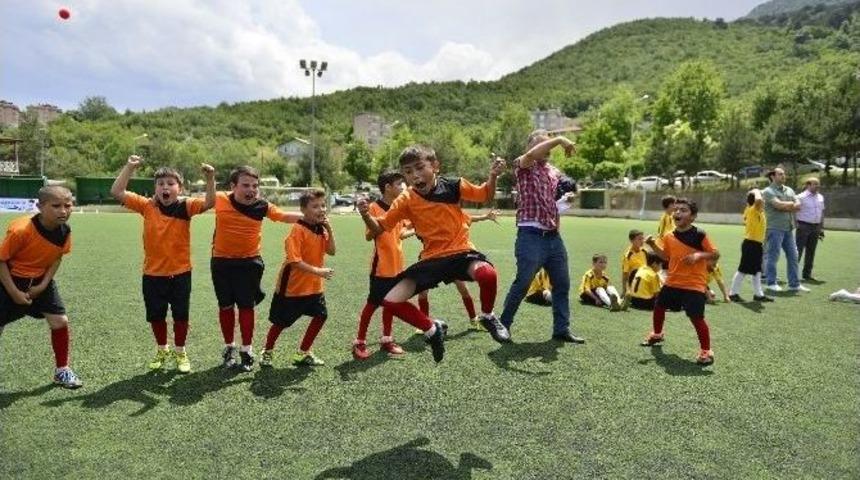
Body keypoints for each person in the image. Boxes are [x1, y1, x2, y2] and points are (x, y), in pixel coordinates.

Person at [357, 145, 507, 362]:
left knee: (487, 274)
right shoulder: (406, 198)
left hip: (461, 252)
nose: (415, 176)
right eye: (408, 172)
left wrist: (493, 176)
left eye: (419, 168)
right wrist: (365, 215)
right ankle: (431, 329)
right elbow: (380, 228)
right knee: (389, 300)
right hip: (432, 259)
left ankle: (487, 316)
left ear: (435, 166)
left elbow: (485, 195)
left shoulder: (454, 185)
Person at [110, 155, 216, 373]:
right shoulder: (146, 206)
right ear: (155, 188)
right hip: (152, 274)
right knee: (156, 316)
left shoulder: (186, 207)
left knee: (180, 316)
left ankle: (180, 352)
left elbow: (209, 203)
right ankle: (162, 349)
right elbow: (117, 192)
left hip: (180, 273)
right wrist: (130, 167)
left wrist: (210, 179)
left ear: (180, 188)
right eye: (160, 184)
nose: (165, 187)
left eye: (170, 184)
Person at [211, 166, 302, 372]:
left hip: (248, 263)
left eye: (254, 185)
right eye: (245, 185)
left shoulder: (262, 206)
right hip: (221, 262)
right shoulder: (220, 199)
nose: (251, 189)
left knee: (246, 306)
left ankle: (247, 349)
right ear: (233, 186)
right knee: (225, 306)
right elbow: (197, 204)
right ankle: (229, 347)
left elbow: (282, 216)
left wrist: (309, 216)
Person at [499, 130, 585, 344]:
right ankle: (503, 325)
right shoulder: (524, 164)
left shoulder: (553, 171)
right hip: (531, 235)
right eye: (542, 144)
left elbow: (552, 204)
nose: (548, 148)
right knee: (523, 283)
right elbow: (531, 156)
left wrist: (566, 200)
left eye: (549, 145)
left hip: (553, 237)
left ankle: (561, 329)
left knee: (562, 284)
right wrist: (559, 140)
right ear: (531, 147)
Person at [0, 186, 81, 388]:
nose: (63, 211)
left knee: (60, 321)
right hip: (9, 281)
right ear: (39, 206)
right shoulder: (21, 230)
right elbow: (1, 261)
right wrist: (14, 293)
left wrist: (43, 284)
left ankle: (62, 371)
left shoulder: (65, 231)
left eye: (67, 205)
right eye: (56, 206)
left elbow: (57, 258)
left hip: (40, 281)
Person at [260, 190, 336, 367]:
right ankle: (267, 351)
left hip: (314, 286)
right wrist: (319, 271)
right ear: (303, 210)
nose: (321, 209)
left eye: (323, 205)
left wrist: (330, 230)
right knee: (280, 323)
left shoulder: (321, 229)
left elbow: (331, 251)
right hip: (292, 287)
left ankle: (303, 353)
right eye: (315, 206)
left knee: (321, 316)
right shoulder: (297, 229)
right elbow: (294, 262)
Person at [641, 198, 719, 366]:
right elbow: (666, 256)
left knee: (696, 318)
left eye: (683, 210)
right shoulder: (669, 236)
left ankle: (706, 351)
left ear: (693, 216)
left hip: (694, 284)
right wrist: (652, 245)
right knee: (659, 306)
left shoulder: (700, 235)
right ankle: (657, 334)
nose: (677, 212)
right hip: (673, 282)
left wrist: (698, 255)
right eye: (676, 210)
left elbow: (714, 254)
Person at [352, 171, 411, 361]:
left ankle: (387, 339)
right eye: (399, 184)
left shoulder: (399, 207)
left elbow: (401, 233)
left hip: (398, 265)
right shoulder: (374, 207)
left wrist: (416, 228)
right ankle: (359, 342)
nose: (403, 187)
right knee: (372, 305)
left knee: (392, 304)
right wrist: (366, 215)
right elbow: (370, 235)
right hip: (381, 267)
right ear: (387, 187)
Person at [415, 209, 501, 331]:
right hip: (431, 258)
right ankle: (423, 323)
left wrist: (485, 217)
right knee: (422, 291)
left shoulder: (453, 213)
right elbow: (408, 224)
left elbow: (468, 218)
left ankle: (473, 319)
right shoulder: (426, 214)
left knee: (463, 288)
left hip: (452, 258)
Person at [762, 167, 808, 293]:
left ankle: (794, 284)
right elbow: (778, 205)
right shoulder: (768, 191)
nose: (783, 176)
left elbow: (798, 204)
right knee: (773, 256)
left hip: (788, 228)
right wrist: (790, 205)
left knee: (793, 256)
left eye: (784, 174)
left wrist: (786, 205)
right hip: (774, 228)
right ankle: (771, 283)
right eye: (780, 174)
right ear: (772, 176)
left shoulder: (789, 190)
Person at [728, 189, 773, 303]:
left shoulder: (758, 211)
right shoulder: (752, 210)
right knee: (743, 270)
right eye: (761, 198)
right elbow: (758, 200)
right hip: (750, 244)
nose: (763, 200)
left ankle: (758, 294)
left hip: (756, 245)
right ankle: (733, 294)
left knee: (757, 271)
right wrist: (757, 191)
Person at [795, 177, 825, 281]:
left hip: (816, 227)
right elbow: (794, 212)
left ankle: (807, 274)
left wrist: (821, 228)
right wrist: (796, 224)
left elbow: (822, 213)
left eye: (818, 184)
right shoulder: (800, 197)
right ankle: (793, 275)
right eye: (815, 184)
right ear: (808, 185)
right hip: (803, 226)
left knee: (811, 251)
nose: (818, 186)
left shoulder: (820, 197)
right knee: (798, 251)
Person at [621, 229, 647, 299]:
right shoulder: (628, 255)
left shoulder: (644, 251)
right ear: (632, 241)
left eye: (642, 239)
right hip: (634, 281)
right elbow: (625, 274)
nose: (642, 241)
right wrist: (625, 290)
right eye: (639, 239)